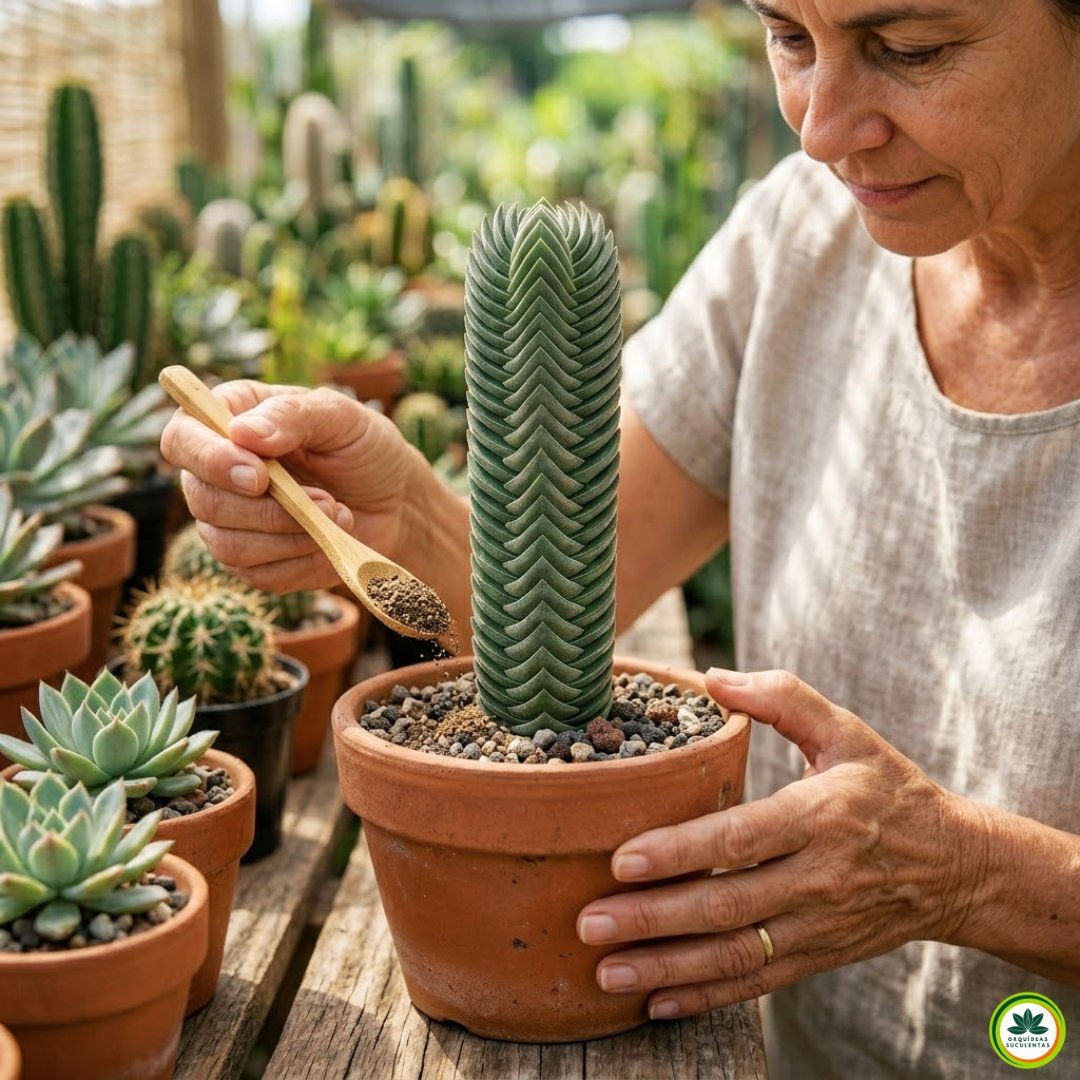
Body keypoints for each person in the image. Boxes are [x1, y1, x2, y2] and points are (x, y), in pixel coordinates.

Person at [160, 0, 1080, 1074]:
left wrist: (970, 874)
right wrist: (397, 512)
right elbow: (554, 608)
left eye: (910, 50)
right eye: (789, 37)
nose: (821, 131)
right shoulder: (805, 235)